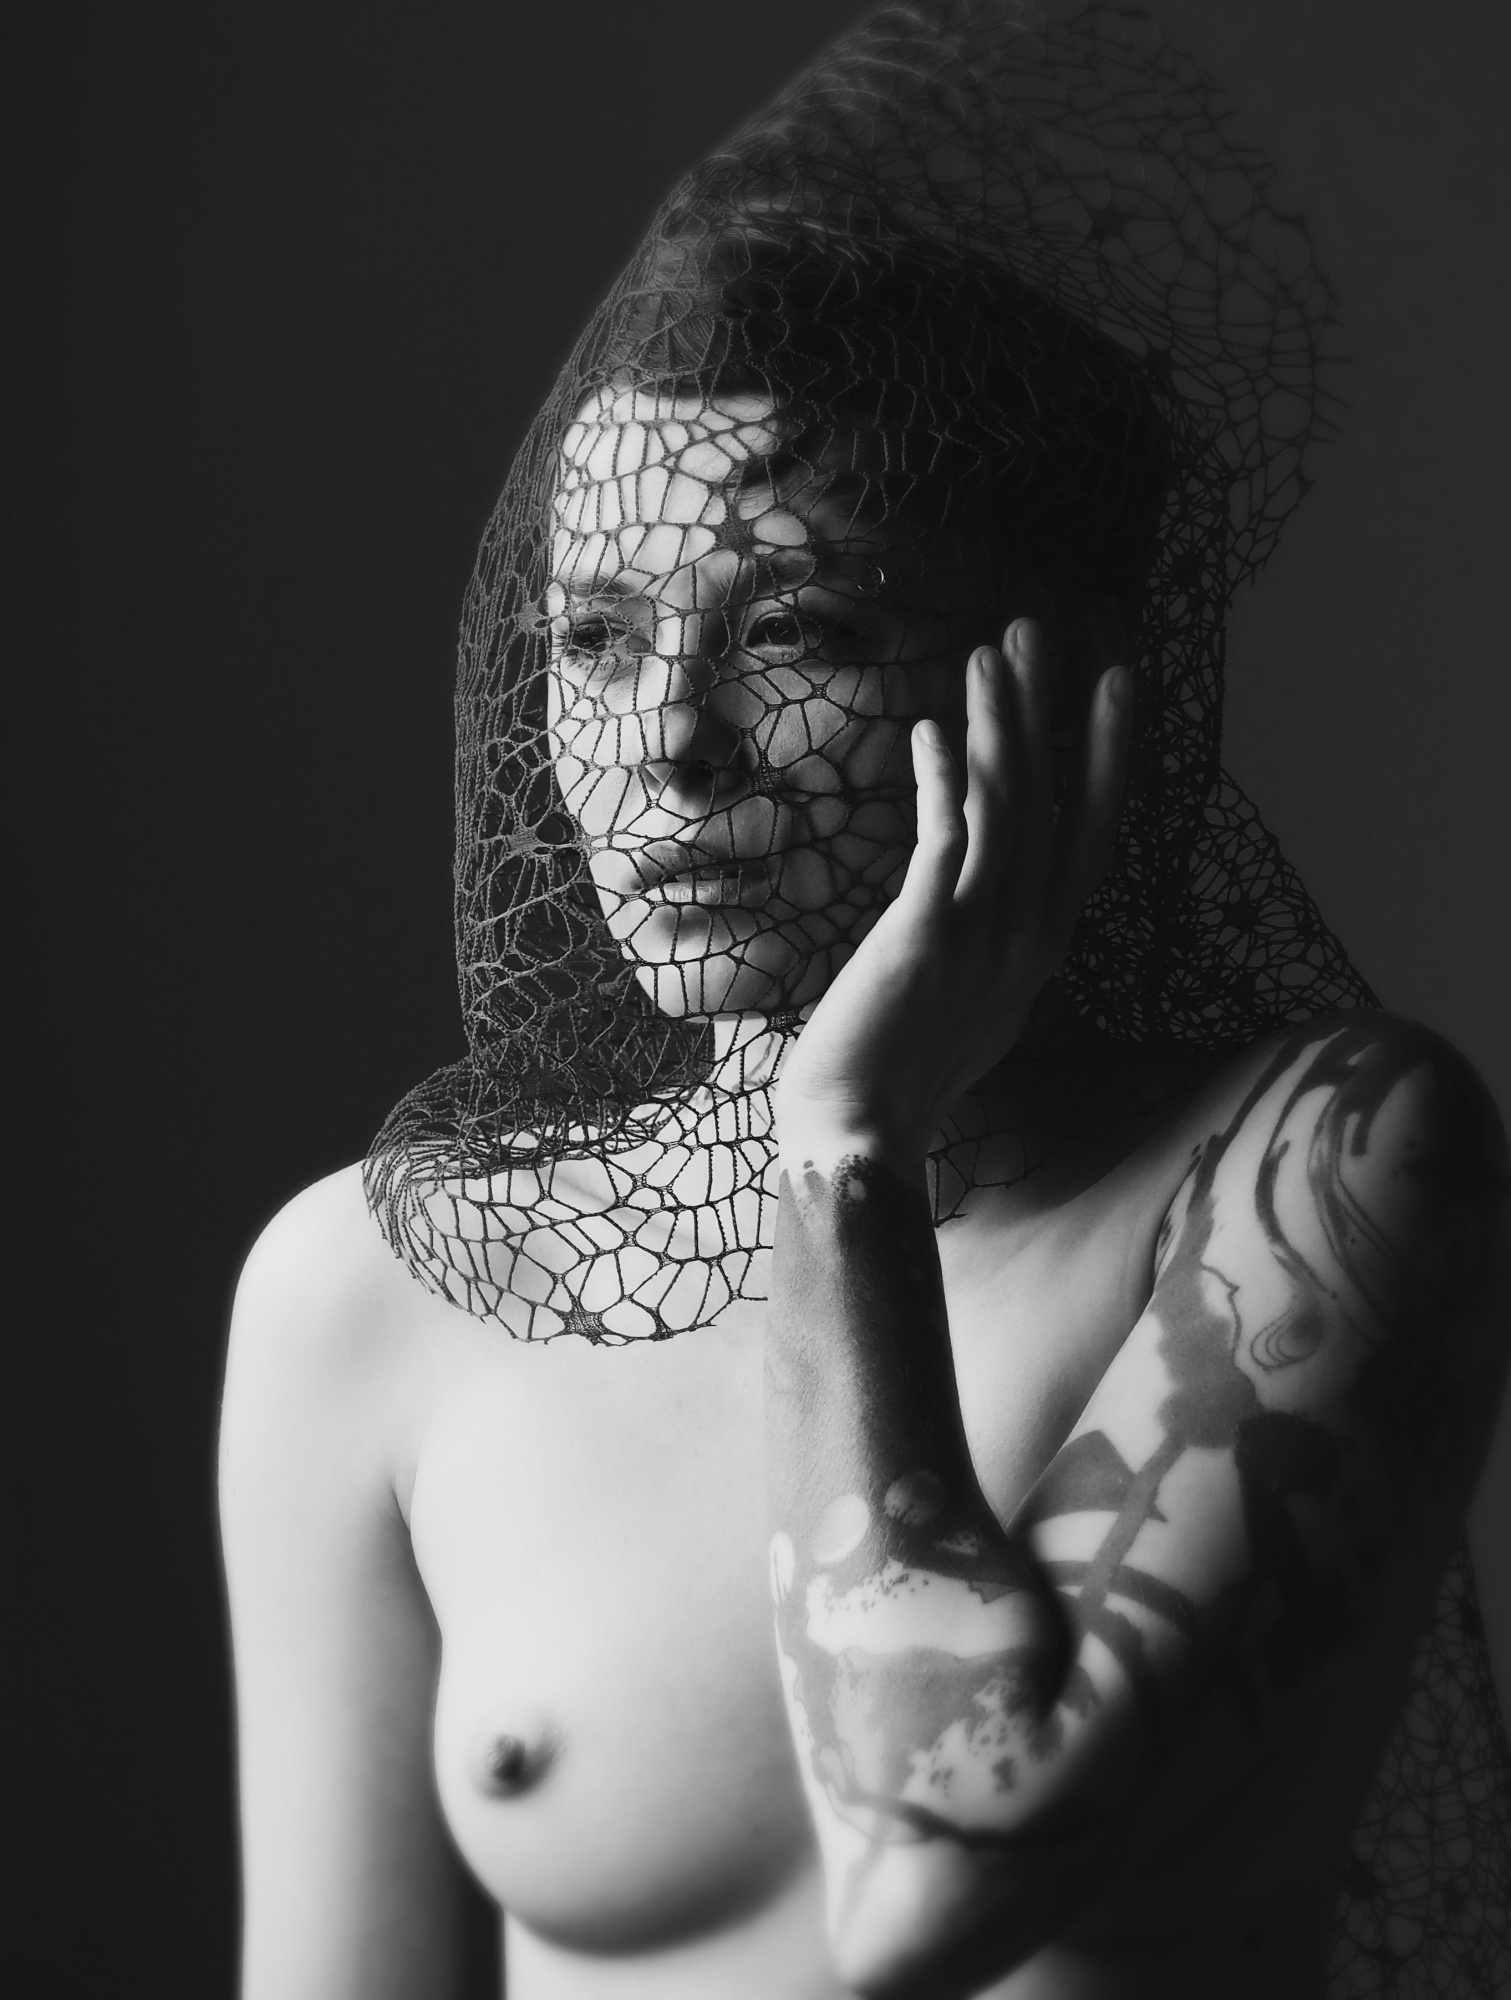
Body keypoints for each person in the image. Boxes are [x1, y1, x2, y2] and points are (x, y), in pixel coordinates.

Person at [219, 5, 1511, 1996]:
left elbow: (930, 1873)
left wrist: (844, 1153)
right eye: (597, 636)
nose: (672, 744)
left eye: (798, 628)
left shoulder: (1316, 1168)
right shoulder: (378, 1301)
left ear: (1059, 689)